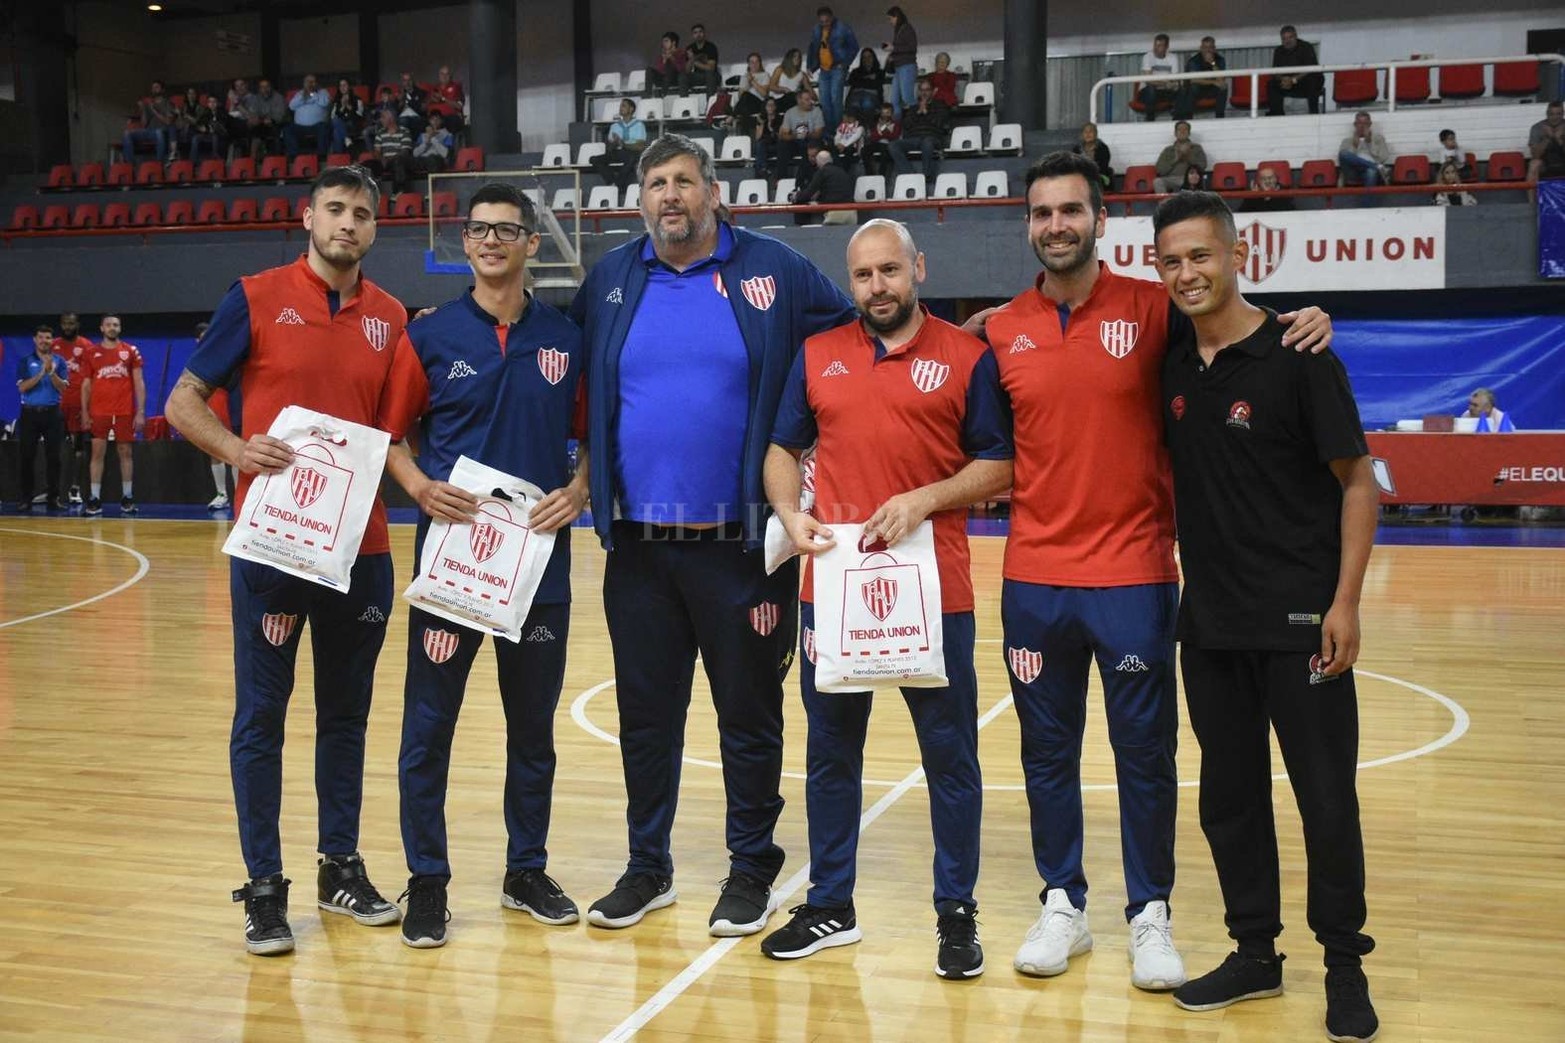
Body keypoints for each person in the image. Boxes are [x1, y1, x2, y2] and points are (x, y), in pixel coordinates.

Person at [967, 150, 1332, 992]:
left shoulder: (1152, 306)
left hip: (1133, 572)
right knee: (1045, 752)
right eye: (1040, 212)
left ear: (1100, 219)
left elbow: (1235, 333)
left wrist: (1300, 320)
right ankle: (1062, 901)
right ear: (1028, 224)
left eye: (1070, 210)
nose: (1054, 224)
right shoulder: (1000, 330)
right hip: (1032, 577)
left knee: (1144, 752)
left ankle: (1148, 913)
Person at [568, 133, 855, 936]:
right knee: (645, 716)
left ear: (714, 190)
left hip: (740, 547)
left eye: (684, 181)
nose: (670, 196)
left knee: (748, 714)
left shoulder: (775, 270)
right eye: (656, 184)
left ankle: (750, 866)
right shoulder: (615, 278)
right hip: (638, 547)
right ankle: (646, 867)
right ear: (640, 200)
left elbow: (849, 340)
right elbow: (554, 355)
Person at [164, 165, 411, 957]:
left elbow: (395, 432)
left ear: (377, 228)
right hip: (274, 551)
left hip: (362, 550)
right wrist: (238, 448)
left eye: (362, 214)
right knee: (261, 719)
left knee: (346, 717)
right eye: (335, 209)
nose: (348, 224)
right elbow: (183, 401)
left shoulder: (392, 317)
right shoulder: (256, 295)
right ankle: (264, 890)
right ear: (307, 216)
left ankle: (340, 866)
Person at [1153, 190, 1380, 1043]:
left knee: (1325, 798)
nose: (1186, 274)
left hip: (1301, 621)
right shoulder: (1172, 356)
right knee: (1229, 797)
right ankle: (1254, 951)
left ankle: (1343, 963)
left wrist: (1345, 601)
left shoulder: (1298, 352)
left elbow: (1356, 482)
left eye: (1200, 256)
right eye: (1171, 261)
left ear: (1237, 254)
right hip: (1208, 623)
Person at [759, 219, 1012, 975]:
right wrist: (786, 511)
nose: (877, 287)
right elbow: (781, 450)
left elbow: (999, 464)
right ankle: (831, 904)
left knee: (949, 758)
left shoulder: (968, 359)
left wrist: (924, 498)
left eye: (889, 271)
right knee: (831, 753)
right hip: (834, 586)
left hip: (935, 589)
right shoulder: (817, 354)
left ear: (918, 269)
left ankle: (955, 912)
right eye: (863, 274)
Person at [378, 183, 589, 948]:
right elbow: (390, 435)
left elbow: (591, 431)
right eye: (479, 229)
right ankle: (427, 880)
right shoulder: (428, 337)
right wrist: (417, 486)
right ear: (463, 243)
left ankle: (523, 869)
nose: (492, 241)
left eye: (508, 230)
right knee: (429, 728)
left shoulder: (565, 337)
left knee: (532, 729)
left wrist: (580, 487)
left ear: (533, 244)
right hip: (454, 570)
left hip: (538, 571)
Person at [80, 315, 145, 516]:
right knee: (97, 452)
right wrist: (84, 411)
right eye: (108, 324)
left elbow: (139, 381)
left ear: (120, 328)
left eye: (115, 325)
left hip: (124, 411)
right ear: (101, 328)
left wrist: (140, 411)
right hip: (99, 412)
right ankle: (94, 498)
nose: (112, 327)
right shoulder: (91, 352)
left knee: (125, 452)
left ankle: (127, 497)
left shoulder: (130, 351)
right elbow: (86, 385)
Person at [12, 325, 69, 513]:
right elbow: (23, 387)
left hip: (52, 413)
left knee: (54, 458)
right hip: (29, 413)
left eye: (48, 338)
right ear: (35, 340)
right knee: (27, 457)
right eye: (41, 337)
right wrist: (41, 373)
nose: (45, 341)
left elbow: (62, 387)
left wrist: (52, 372)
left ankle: (54, 498)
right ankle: (25, 499)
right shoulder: (26, 361)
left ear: (52, 341)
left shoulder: (60, 361)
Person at [53, 312, 94, 506]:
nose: (68, 326)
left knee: (79, 447)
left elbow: (91, 377)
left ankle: (76, 487)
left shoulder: (86, 346)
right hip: (58, 404)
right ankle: (57, 489)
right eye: (65, 323)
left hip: (79, 403)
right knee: (59, 447)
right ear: (61, 325)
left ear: (77, 324)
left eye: (71, 323)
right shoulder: (54, 346)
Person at [195, 320, 237, 511]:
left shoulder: (229, 354)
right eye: (202, 338)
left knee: (235, 448)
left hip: (230, 404)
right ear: (197, 340)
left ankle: (238, 494)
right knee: (214, 451)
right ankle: (221, 494)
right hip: (210, 405)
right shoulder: (196, 360)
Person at [888, 77, 949, 184]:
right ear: (918, 92)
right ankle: (910, 175)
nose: (924, 93)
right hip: (914, 139)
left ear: (932, 91)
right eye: (922, 90)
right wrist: (917, 112)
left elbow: (940, 124)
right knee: (893, 145)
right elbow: (906, 125)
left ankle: (927, 176)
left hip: (932, 137)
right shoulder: (913, 108)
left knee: (927, 142)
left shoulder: (940, 105)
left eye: (927, 90)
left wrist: (926, 112)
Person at [808, 6, 860, 133]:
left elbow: (854, 46)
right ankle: (829, 133)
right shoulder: (816, 30)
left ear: (831, 18)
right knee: (824, 101)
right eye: (822, 21)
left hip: (837, 67)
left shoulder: (842, 28)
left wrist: (845, 63)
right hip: (823, 69)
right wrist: (810, 66)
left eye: (827, 21)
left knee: (835, 98)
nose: (824, 24)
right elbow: (813, 48)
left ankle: (838, 130)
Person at [593, 98, 649, 190]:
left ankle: (618, 185)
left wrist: (623, 144)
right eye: (620, 106)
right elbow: (610, 148)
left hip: (632, 152)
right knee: (594, 159)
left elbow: (640, 146)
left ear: (631, 109)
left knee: (632, 158)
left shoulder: (639, 125)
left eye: (623, 106)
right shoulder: (614, 126)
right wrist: (615, 143)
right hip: (618, 152)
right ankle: (612, 182)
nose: (620, 108)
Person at [792, 145, 856, 224]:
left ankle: (801, 229)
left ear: (818, 162)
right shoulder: (841, 171)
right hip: (852, 212)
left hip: (836, 212)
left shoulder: (822, 172)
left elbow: (808, 193)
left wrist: (796, 196)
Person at [1267, 25, 1323, 116]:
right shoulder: (1278, 51)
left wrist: (1293, 80)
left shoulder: (1306, 47)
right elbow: (1275, 71)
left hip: (1303, 81)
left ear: (1296, 36)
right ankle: (1277, 117)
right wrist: (1283, 79)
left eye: (1290, 37)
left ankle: (1314, 115)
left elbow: (1311, 68)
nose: (1287, 41)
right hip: (1286, 83)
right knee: (1271, 85)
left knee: (1313, 80)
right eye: (1284, 39)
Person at [779, 88, 827, 182]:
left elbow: (819, 133)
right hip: (795, 140)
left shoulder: (817, 111)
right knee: (782, 145)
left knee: (812, 145)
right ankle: (781, 178)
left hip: (810, 139)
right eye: (807, 100)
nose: (810, 102)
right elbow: (783, 134)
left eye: (811, 99)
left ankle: (810, 180)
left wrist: (807, 134)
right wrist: (795, 135)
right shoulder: (790, 112)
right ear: (799, 100)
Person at [122, 80, 175, 162]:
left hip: (162, 131)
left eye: (157, 87)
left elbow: (168, 122)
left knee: (159, 132)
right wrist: (143, 108)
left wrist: (154, 110)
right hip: (149, 131)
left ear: (162, 90)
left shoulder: (168, 103)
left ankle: (159, 163)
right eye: (153, 88)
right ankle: (130, 164)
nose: (154, 89)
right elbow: (144, 124)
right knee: (127, 133)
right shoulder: (148, 104)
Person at [1175, 36, 1227, 120]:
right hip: (1197, 89)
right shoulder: (1194, 60)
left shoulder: (1220, 59)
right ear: (1201, 48)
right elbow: (1194, 80)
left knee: (1223, 87)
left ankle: (1220, 118)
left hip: (1211, 90)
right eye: (1205, 47)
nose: (1207, 50)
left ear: (1214, 49)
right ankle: (1188, 119)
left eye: (1210, 47)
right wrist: (1213, 82)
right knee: (1193, 87)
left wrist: (1213, 63)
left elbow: (1221, 80)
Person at [284, 74, 332, 160]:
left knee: (324, 128)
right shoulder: (300, 93)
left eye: (312, 82)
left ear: (316, 83)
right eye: (308, 82)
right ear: (304, 83)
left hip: (318, 125)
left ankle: (322, 156)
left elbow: (325, 103)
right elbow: (291, 106)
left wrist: (313, 95)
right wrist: (303, 98)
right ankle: (294, 156)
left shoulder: (323, 92)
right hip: (300, 126)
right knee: (288, 129)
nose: (310, 84)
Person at [1337, 111, 1391, 188]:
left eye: (1365, 123)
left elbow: (1383, 157)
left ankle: (1374, 168)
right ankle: (1376, 167)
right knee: (1343, 153)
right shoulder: (1347, 141)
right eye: (1359, 123)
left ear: (1370, 124)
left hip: (1370, 171)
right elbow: (1343, 160)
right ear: (1355, 125)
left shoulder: (1378, 139)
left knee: (1371, 172)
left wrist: (1369, 143)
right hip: (1353, 171)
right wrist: (1355, 146)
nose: (1362, 126)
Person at [368, 109, 415, 194]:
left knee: (398, 162)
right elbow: (377, 151)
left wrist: (389, 159)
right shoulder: (380, 132)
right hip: (385, 161)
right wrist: (381, 159)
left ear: (391, 119)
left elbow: (405, 152)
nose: (381, 120)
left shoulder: (404, 131)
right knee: (369, 164)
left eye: (383, 117)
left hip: (399, 160)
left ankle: (399, 192)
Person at [1153, 121, 1208, 193]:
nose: (1182, 132)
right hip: (1172, 179)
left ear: (1189, 133)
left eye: (1185, 130)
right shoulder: (1168, 150)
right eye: (1179, 130)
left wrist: (1188, 157)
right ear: (1175, 133)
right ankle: (1165, 204)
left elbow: (1203, 166)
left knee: (1193, 179)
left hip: (1189, 178)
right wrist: (1175, 160)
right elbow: (1160, 170)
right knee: (1157, 181)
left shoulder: (1197, 148)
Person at [883, 6, 918, 118]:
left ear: (896, 16)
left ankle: (916, 121)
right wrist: (892, 55)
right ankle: (897, 128)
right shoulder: (900, 29)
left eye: (890, 19)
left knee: (907, 97)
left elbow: (912, 47)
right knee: (894, 100)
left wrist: (893, 48)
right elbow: (903, 48)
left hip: (907, 67)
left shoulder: (907, 28)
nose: (890, 22)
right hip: (899, 67)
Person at [1138, 34, 1181, 120]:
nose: (1156, 48)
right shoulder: (1148, 57)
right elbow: (1149, 80)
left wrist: (1171, 85)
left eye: (1160, 45)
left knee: (1182, 90)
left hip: (1166, 90)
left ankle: (1177, 122)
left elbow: (1175, 79)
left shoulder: (1173, 57)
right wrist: (1166, 84)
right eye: (1155, 45)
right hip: (1147, 91)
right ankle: (1150, 121)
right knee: (1151, 90)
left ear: (1166, 47)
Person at [177, 87, 223, 164]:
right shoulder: (183, 107)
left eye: (193, 93)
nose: (191, 95)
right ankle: (188, 161)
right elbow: (179, 122)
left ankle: (190, 161)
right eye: (189, 93)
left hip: (199, 129)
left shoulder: (201, 108)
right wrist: (180, 115)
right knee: (182, 132)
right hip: (188, 129)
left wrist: (188, 117)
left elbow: (198, 122)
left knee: (189, 132)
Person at [731, 53, 770, 136]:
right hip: (747, 105)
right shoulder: (744, 77)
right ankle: (746, 133)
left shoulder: (765, 75)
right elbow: (740, 96)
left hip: (759, 104)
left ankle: (732, 116)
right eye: (752, 62)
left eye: (756, 62)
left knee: (746, 96)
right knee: (745, 99)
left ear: (760, 63)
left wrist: (752, 81)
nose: (754, 64)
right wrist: (747, 83)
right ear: (748, 64)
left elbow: (764, 94)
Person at [1527, 100, 1565, 185]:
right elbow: (1535, 155)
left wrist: (1560, 139)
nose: (1555, 117)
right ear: (1547, 114)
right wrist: (1547, 138)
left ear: (1563, 114)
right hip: (1545, 163)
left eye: (1558, 114)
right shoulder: (1537, 127)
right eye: (1551, 114)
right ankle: (1532, 199)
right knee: (1534, 165)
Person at [248, 79, 288, 159]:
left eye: (267, 87)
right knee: (252, 128)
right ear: (259, 89)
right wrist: (256, 119)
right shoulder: (256, 98)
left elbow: (280, 115)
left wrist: (270, 119)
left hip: (277, 123)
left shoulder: (278, 97)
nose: (265, 89)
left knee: (274, 130)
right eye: (262, 87)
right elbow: (253, 113)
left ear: (271, 87)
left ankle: (277, 158)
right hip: (261, 123)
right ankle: (253, 158)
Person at [846, 48, 886, 124]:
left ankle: (867, 127)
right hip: (856, 95)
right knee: (854, 104)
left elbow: (876, 85)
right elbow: (852, 82)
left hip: (872, 95)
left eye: (869, 56)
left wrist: (862, 80)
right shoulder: (856, 71)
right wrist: (869, 79)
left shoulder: (879, 72)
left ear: (873, 58)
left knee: (867, 103)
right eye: (864, 57)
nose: (867, 59)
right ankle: (854, 129)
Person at [768, 48, 811, 114]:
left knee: (795, 97)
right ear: (789, 58)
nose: (797, 59)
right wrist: (784, 89)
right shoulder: (780, 69)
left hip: (793, 99)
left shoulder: (802, 74)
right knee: (791, 95)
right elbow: (771, 86)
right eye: (794, 56)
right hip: (779, 99)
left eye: (799, 57)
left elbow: (809, 90)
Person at [753, 97, 786, 180]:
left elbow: (781, 136)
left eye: (772, 105)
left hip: (777, 145)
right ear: (765, 107)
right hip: (765, 147)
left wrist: (771, 127)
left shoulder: (780, 119)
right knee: (760, 144)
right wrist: (763, 124)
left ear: (775, 107)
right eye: (768, 105)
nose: (771, 107)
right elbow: (757, 137)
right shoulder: (761, 119)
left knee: (781, 144)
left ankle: (777, 176)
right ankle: (763, 169)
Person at [330, 79, 367, 155]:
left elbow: (359, 116)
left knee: (337, 131)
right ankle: (347, 139)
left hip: (353, 124)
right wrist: (342, 107)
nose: (342, 87)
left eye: (345, 85)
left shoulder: (357, 99)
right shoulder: (337, 101)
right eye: (340, 86)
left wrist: (348, 106)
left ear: (349, 87)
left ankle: (338, 157)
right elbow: (333, 117)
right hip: (341, 125)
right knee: (336, 130)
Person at [1072, 121, 1112, 190]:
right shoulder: (1077, 149)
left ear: (1096, 134)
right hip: (1081, 177)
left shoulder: (1103, 148)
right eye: (1085, 132)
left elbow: (1103, 166)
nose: (1088, 134)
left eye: (1091, 131)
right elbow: (1074, 165)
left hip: (1098, 176)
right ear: (1082, 135)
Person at [425, 66, 465, 134]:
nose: (444, 76)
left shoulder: (456, 87)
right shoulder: (434, 88)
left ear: (450, 76)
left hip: (448, 117)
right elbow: (425, 106)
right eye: (442, 74)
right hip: (433, 118)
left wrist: (442, 98)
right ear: (439, 75)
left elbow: (459, 106)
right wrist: (431, 100)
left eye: (447, 74)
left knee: (452, 120)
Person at [647, 31, 690, 96]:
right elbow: (660, 70)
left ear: (673, 42)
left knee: (671, 69)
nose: (663, 44)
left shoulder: (681, 53)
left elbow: (681, 70)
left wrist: (672, 58)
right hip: (664, 80)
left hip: (676, 80)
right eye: (663, 41)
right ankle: (648, 95)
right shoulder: (662, 54)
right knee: (649, 70)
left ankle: (663, 93)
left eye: (666, 41)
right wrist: (664, 60)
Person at [866, 101, 901, 177]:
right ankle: (869, 174)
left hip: (888, 145)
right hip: (876, 144)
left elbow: (894, 136)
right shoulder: (876, 124)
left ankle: (882, 176)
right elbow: (873, 137)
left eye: (888, 112)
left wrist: (882, 133)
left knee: (884, 152)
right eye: (883, 113)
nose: (885, 115)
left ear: (892, 113)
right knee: (864, 150)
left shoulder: (896, 124)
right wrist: (885, 133)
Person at [685, 24, 721, 95]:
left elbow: (710, 68)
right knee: (682, 76)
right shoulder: (690, 48)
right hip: (698, 76)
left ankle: (710, 104)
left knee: (709, 74)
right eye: (695, 33)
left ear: (704, 33)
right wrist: (691, 60)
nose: (698, 34)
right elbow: (687, 70)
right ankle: (684, 102)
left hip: (713, 76)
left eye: (700, 32)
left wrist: (693, 60)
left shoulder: (711, 47)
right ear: (692, 35)